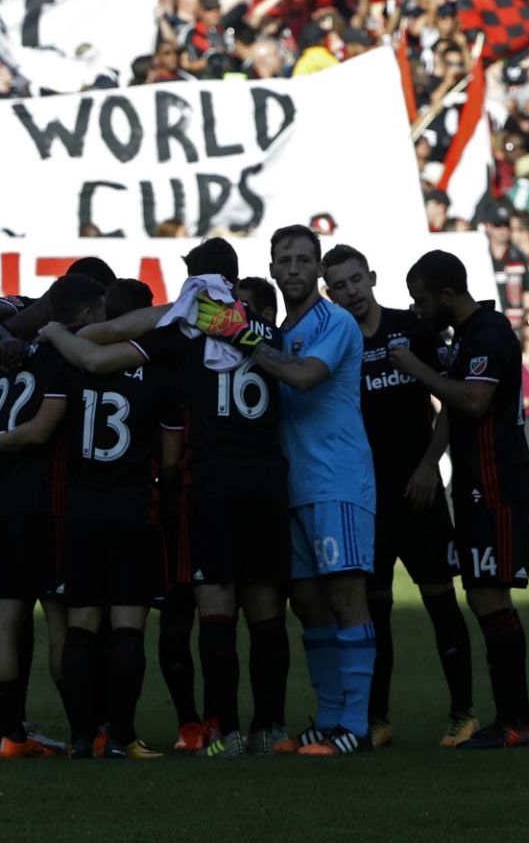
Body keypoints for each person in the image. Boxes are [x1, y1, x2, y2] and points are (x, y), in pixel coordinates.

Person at [42, 239, 292, 758]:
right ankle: (271, 727)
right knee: (266, 609)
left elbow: (100, 348)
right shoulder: (268, 332)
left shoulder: (186, 327)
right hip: (268, 476)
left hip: (213, 479)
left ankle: (221, 731)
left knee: (216, 608)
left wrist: (54, 332)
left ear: (194, 280)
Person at [195, 225, 376, 756]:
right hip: (291, 484)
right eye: (285, 260)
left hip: (336, 480)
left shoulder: (335, 322)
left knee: (347, 598)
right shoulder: (281, 330)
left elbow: (302, 378)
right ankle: (328, 718)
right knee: (310, 607)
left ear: (318, 269)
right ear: (271, 269)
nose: (294, 268)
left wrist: (242, 336)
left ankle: (357, 726)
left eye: (303, 260)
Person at [322, 245, 480, 748]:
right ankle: (377, 719)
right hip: (364, 499)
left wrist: (431, 465)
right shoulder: (332, 341)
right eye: (340, 286)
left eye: (356, 281)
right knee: (374, 611)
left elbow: (452, 399)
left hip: (419, 490)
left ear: (371, 277)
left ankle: (463, 714)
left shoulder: (411, 330)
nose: (351, 292)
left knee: (440, 601)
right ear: (331, 293)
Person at [390, 250, 529, 749]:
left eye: (422, 300)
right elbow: (459, 405)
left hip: (497, 482)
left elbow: (472, 399)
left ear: (448, 296)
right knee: (481, 594)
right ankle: (511, 719)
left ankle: (517, 721)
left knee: (489, 595)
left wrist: (414, 367)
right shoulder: (467, 337)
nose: (417, 310)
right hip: (476, 482)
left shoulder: (489, 333)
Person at [0, 273, 108, 758]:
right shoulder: (63, 355)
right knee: (59, 617)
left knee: (5, 617)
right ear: (90, 313)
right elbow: (40, 431)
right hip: (42, 503)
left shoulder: (13, 351)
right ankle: (85, 731)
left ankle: (10, 736)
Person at [55, 278, 180, 760]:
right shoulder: (160, 374)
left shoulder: (75, 366)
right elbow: (170, 460)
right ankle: (124, 737)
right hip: (132, 508)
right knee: (129, 627)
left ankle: (82, 736)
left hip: (82, 506)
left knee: (81, 625)